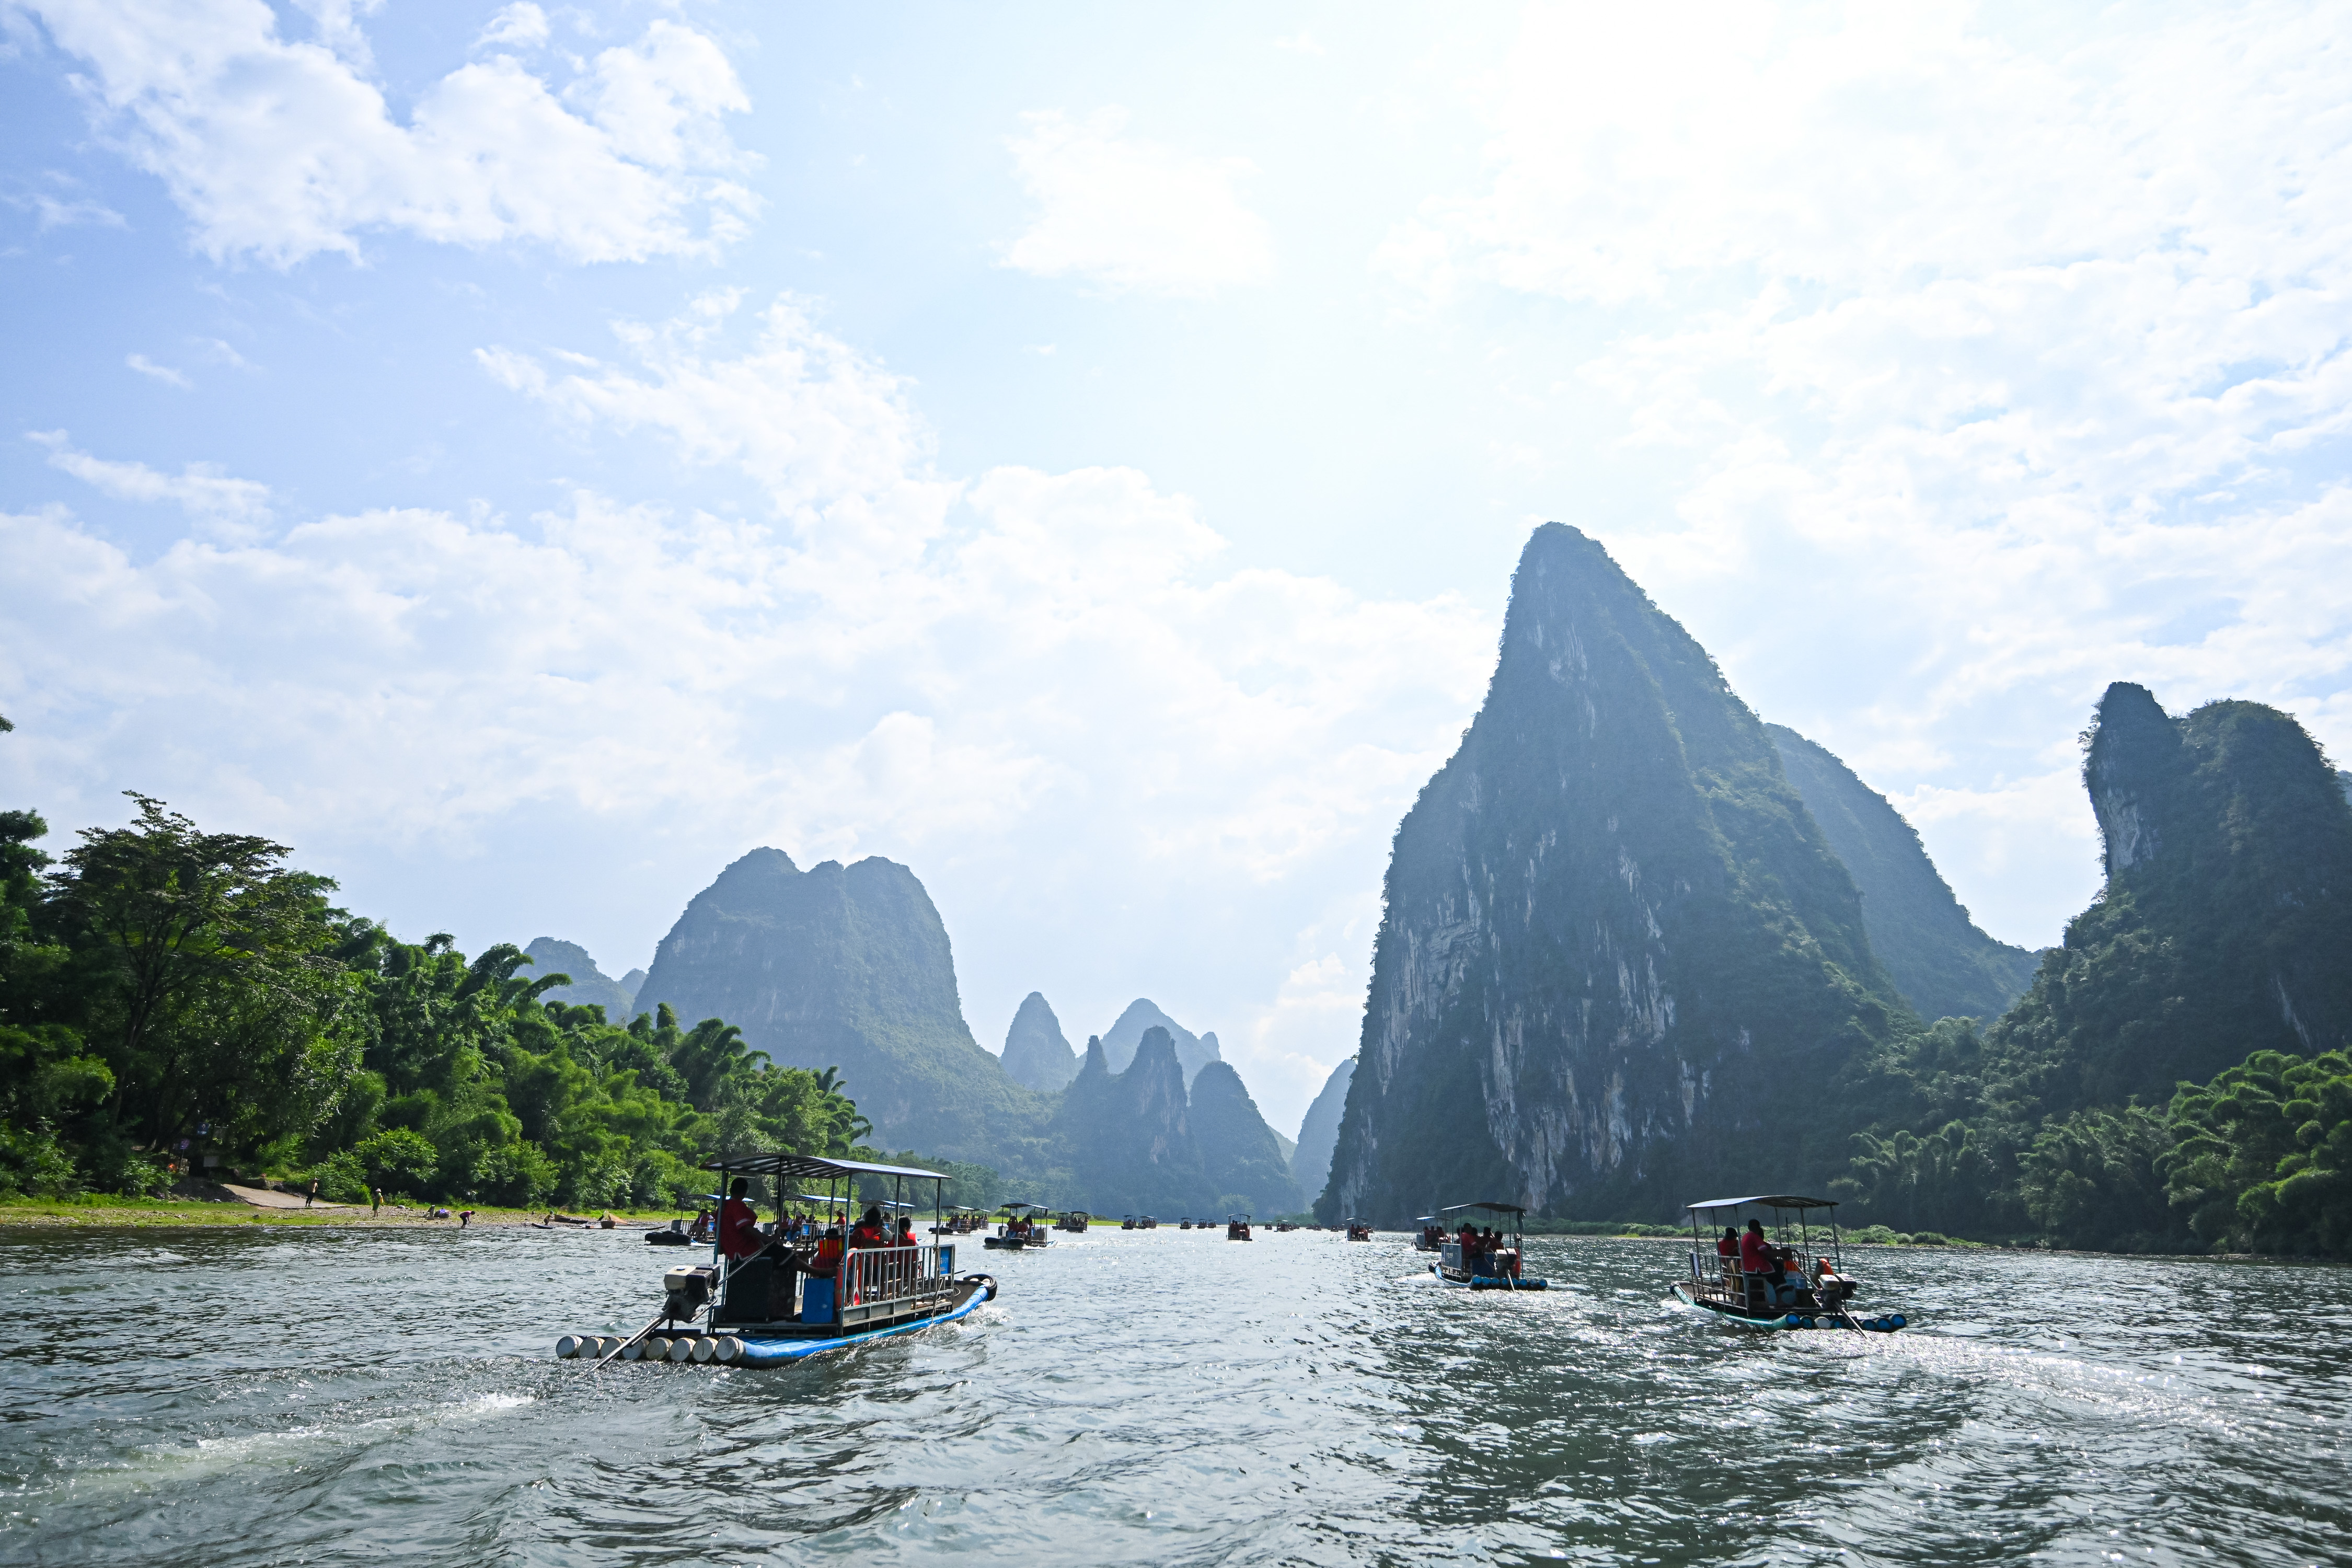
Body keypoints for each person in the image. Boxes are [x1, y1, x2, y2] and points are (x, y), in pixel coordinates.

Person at [719, 1178, 767, 1260]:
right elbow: (747, 1228)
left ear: (730, 1190)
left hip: (730, 1250)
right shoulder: (738, 1206)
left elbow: (717, 1230)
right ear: (745, 1192)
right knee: (782, 1253)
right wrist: (768, 1238)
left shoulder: (721, 1208)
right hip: (743, 1250)